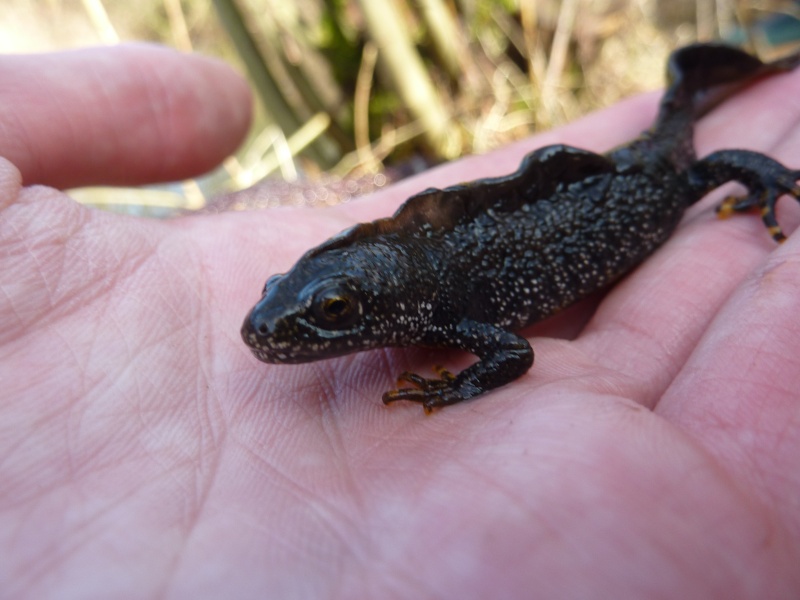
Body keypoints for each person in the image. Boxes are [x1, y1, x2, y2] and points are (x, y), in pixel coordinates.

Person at [1, 43, 799, 599]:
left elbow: (512, 354)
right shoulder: (423, 295)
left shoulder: (450, 306)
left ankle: (743, 139)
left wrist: (450, 395)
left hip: (647, 181)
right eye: (312, 304)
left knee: (705, 169)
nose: (288, 332)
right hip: (599, 190)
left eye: (331, 315)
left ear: (385, 306)